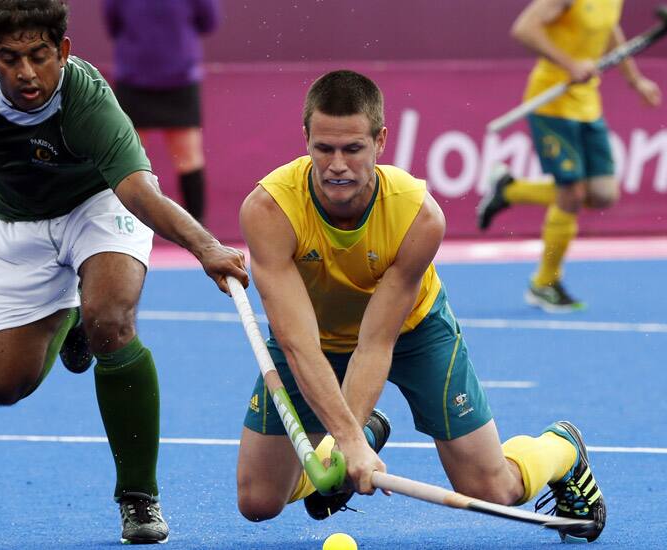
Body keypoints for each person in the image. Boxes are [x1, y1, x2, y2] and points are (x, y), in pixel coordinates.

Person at [0, 0, 248, 544]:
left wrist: (206, 247)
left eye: (39, 56)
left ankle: (138, 498)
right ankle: (68, 314)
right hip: (20, 224)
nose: (26, 73)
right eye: (10, 58)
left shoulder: (89, 100)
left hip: (99, 207)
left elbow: (135, 190)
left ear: (63, 51)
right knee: (0, 386)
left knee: (113, 324)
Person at [235, 70, 606, 543]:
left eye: (353, 149)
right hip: (314, 338)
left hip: (412, 332)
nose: (337, 166)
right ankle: (359, 437)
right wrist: (348, 443)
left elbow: (374, 343)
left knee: (492, 487)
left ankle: (561, 448)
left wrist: (344, 440)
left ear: (381, 141)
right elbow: (298, 343)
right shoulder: (270, 210)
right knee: (258, 501)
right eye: (323, 148)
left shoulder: (418, 216)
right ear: (305, 138)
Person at [477, 0, 661, 313]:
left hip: (587, 104)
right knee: (572, 193)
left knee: (603, 195)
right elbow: (524, 29)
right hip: (552, 101)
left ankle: (508, 190)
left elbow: (609, 31)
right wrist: (569, 63)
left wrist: (635, 80)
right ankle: (544, 284)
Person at [101, 0, 219, 224]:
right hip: (133, 80)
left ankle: (201, 236)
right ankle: (119, 229)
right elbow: (113, 23)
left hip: (179, 79)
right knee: (126, 160)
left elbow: (209, 21)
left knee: (188, 158)